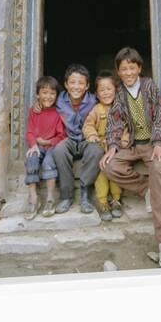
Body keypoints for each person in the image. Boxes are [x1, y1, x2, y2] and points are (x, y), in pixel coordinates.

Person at [99, 47, 161, 268]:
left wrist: (160, 143)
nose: (128, 72)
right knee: (109, 166)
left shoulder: (150, 86)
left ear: (139, 68)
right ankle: (145, 189)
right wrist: (112, 147)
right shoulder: (120, 93)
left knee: (159, 171)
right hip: (133, 145)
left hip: (152, 144)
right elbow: (114, 122)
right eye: (124, 69)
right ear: (118, 71)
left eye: (132, 67)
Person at [52, 63, 104, 214]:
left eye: (81, 83)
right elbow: (45, 103)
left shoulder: (94, 101)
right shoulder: (59, 100)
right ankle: (66, 196)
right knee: (59, 150)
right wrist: (38, 105)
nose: (76, 86)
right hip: (68, 139)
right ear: (66, 85)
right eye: (72, 82)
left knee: (96, 150)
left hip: (87, 140)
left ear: (87, 86)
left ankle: (85, 193)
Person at [82, 71, 126, 221]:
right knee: (101, 169)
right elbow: (88, 125)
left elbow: (127, 129)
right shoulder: (96, 109)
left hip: (116, 147)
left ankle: (116, 199)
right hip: (101, 146)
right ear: (97, 94)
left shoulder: (121, 109)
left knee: (114, 168)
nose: (106, 93)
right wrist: (92, 136)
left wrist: (123, 143)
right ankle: (102, 201)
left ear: (116, 90)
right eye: (102, 90)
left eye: (109, 89)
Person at [24, 76, 65, 220]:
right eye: (44, 92)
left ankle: (50, 198)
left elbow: (62, 135)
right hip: (38, 145)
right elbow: (29, 131)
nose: (48, 96)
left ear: (57, 95)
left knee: (48, 162)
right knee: (31, 158)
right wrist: (34, 144)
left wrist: (48, 142)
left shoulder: (58, 113)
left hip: (52, 146)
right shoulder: (33, 111)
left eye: (52, 93)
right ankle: (33, 197)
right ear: (37, 94)